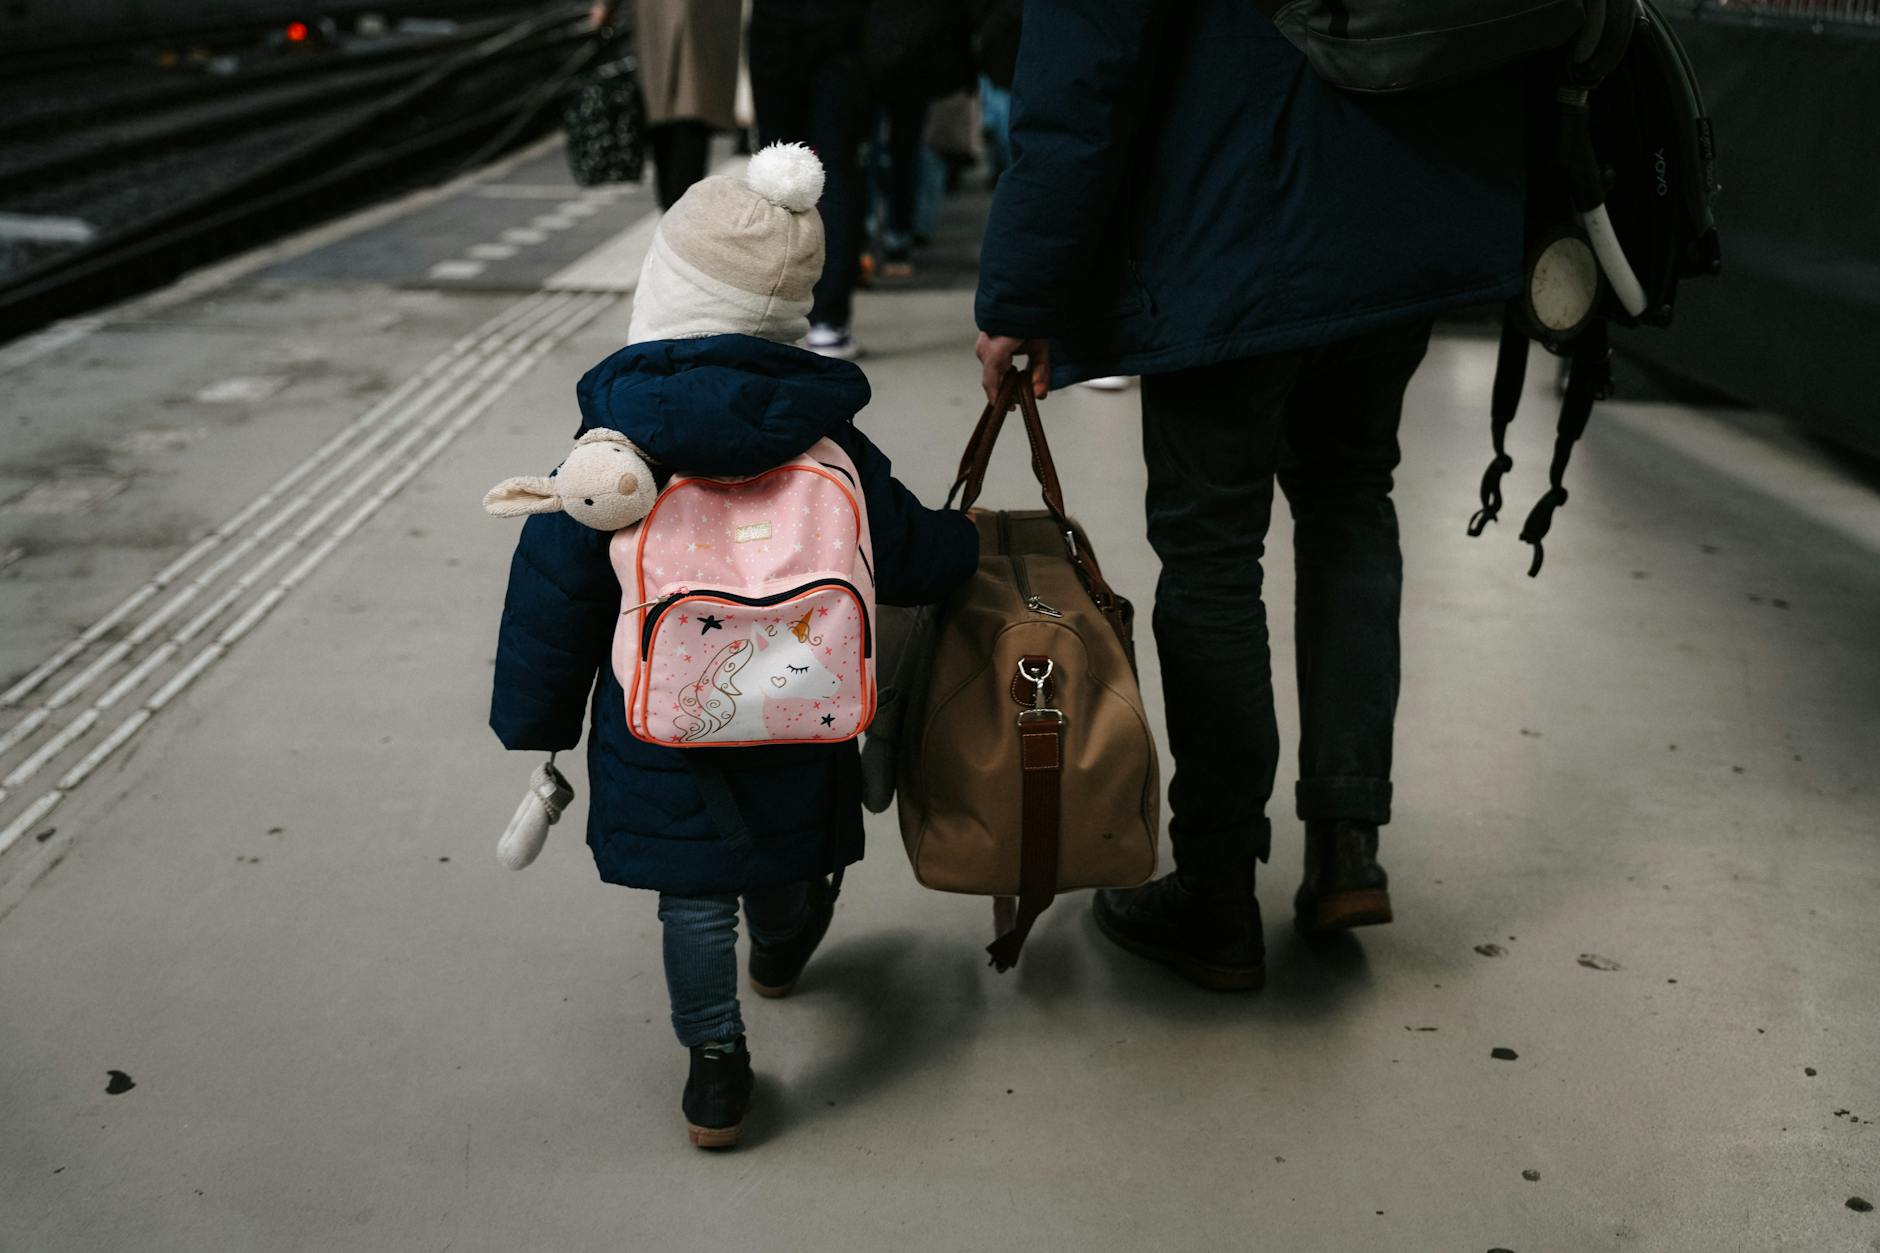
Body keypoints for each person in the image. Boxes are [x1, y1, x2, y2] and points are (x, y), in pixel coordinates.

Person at [974, 1, 1527, 991]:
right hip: (1400, 192)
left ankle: (1216, 885)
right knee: (1350, 495)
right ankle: (1345, 845)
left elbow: (1081, 68)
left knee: (1210, 549)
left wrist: (1021, 288)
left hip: (1228, 208)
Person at [489, 145, 978, 1146]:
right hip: (803, 710)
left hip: (662, 723)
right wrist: (970, 543)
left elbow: (554, 590)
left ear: (661, 291)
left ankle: (715, 1068)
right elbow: (912, 552)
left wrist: (532, 721)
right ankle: (788, 938)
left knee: (693, 899)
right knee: (790, 858)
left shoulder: (608, 454)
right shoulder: (830, 442)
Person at [746, 0, 871, 359]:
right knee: (838, 171)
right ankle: (828, 321)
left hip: (775, 24)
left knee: (775, 166)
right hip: (843, 26)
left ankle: (770, 312)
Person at [611, 0, 741, 210]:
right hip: (699, 18)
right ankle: (678, 215)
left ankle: (674, 215)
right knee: (689, 109)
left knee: (674, 112)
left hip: (671, 18)